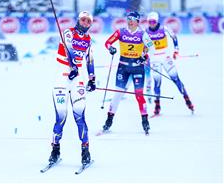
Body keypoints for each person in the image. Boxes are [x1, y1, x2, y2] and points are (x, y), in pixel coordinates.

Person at [48, 11, 96, 165]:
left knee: (80, 113)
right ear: (78, 20)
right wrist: (73, 67)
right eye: (83, 20)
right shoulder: (68, 32)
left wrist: (92, 79)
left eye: (88, 21)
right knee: (61, 114)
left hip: (77, 79)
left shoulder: (88, 39)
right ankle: (55, 149)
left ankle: (85, 151)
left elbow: (90, 60)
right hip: (62, 77)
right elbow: (69, 49)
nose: (85, 23)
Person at [101, 11, 155, 135]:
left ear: (138, 21)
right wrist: (111, 48)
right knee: (117, 95)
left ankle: (145, 122)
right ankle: (108, 121)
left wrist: (144, 56)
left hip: (137, 68)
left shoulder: (142, 34)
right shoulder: (121, 32)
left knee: (139, 95)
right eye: (128, 19)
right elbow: (107, 43)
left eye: (133, 19)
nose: (130, 21)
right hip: (123, 68)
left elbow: (152, 48)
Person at [145, 11, 194, 115]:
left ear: (157, 21)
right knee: (157, 83)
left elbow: (174, 37)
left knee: (176, 79)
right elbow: (143, 45)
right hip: (154, 60)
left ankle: (188, 101)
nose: (151, 24)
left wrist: (176, 50)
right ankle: (157, 106)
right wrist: (143, 55)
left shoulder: (164, 28)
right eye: (149, 22)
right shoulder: (145, 31)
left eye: (153, 22)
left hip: (166, 58)